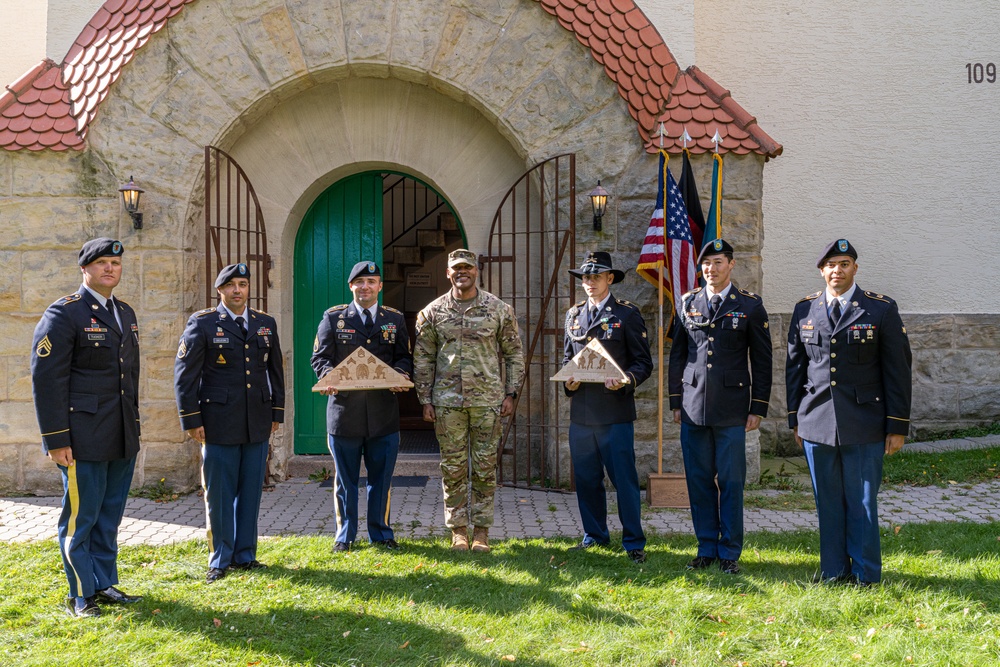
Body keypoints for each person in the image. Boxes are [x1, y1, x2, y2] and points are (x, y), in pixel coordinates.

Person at [786, 239, 911, 586]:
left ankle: (866, 575)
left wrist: (897, 424)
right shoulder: (805, 310)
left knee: (862, 502)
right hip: (816, 421)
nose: (836, 271)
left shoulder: (879, 309)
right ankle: (833, 572)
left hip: (864, 422)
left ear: (855, 268)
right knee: (827, 502)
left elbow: (897, 370)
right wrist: (795, 417)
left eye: (844, 264)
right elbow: (795, 367)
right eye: (830, 265)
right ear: (821, 270)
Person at [30, 238, 143, 617]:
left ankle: (104, 582)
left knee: (109, 513)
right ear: (85, 269)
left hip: (121, 431)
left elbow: (130, 376)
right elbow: (48, 380)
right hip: (83, 436)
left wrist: (135, 425)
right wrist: (56, 439)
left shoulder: (125, 313)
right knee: (81, 517)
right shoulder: (65, 313)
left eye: (116, 262)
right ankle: (80, 593)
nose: (110, 268)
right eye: (102, 263)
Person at [174, 263, 285, 583]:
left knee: (251, 490)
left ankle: (245, 555)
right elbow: (185, 377)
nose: (238, 290)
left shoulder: (265, 323)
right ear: (219, 290)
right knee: (220, 494)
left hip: (256, 421)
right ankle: (220, 558)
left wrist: (277, 412)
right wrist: (192, 419)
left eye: (243, 284)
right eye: (231, 285)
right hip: (217, 422)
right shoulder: (203, 323)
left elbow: (276, 371)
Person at [668, 239, 772, 574]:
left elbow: (762, 360)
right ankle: (706, 547)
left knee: (730, 481)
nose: (711, 269)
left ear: (731, 264)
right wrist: (676, 401)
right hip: (693, 406)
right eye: (706, 264)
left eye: (717, 262)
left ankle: (729, 552)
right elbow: (678, 356)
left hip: (732, 408)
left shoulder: (750, 306)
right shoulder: (688, 303)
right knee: (698, 481)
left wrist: (758, 406)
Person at [413, 249, 524, 553]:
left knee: (486, 467)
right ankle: (459, 531)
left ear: (477, 272)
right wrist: (425, 397)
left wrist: (511, 393)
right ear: (447, 274)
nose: (462, 272)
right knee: (453, 467)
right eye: (456, 269)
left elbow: (514, 354)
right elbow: (423, 357)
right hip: (447, 403)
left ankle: (482, 533)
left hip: (488, 401)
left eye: (468, 268)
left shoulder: (498, 310)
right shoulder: (432, 313)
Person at [311, 261, 413, 552]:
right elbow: (320, 357)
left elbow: (404, 356)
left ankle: (381, 533)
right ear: (351, 286)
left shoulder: (393, 319)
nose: (365, 287)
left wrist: (402, 374)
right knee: (346, 480)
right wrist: (327, 376)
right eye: (360, 282)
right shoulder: (333, 319)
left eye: (372, 281)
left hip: (383, 414)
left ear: (380, 286)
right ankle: (345, 535)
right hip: (345, 414)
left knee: (382, 479)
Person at [561, 251, 653, 564]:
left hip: (615, 413)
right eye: (585, 277)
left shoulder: (627, 314)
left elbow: (643, 362)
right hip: (583, 414)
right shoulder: (573, 315)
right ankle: (595, 534)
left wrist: (627, 379)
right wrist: (568, 382)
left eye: (596, 276)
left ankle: (633, 542)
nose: (589, 282)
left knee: (624, 480)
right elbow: (566, 360)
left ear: (610, 278)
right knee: (586, 480)